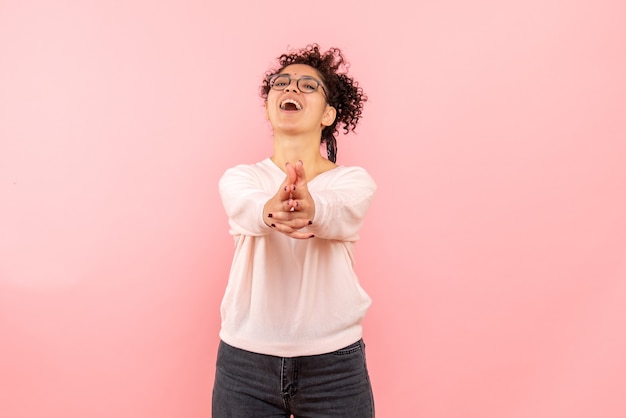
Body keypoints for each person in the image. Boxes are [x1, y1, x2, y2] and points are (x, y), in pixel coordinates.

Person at [212, 44, 376, 417]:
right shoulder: (242, 178)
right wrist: (273, 210)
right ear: (269, 106)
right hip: (245, 366)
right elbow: (250, 206)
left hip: (335, 367)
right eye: (280, 83)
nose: (290, 89)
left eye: (307, 85)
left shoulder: (353, 181)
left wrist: (311, 208)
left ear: (329, 114)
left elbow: (338, 210)